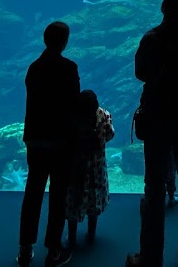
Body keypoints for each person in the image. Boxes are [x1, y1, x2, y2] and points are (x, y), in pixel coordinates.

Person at [126, 0, 178, 267]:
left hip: (157, 119)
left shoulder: (151, 38)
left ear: (162, 7)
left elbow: (140, 73)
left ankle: (150, 256)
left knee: (154, 186)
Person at [18, 21, 80, 267]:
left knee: (33, 192)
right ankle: (53, 249)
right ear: (65, 42)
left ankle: (25, 248)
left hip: (36, 140)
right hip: (61, 141)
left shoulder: (34, 68)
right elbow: (73, 105)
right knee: (58, 194)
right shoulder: (69, 68)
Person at [64, 90, 114, 248]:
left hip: (76, 169)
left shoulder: (73, 118)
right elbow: (110, 134)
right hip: (96, 170)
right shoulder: (104, 115)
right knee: (94, 201)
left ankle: (71, 237)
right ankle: (91, 234)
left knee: (73, 202)